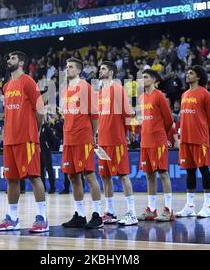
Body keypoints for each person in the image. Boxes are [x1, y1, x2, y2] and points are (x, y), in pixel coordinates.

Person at [0, 51, 49, 233]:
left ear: (22, 63)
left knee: (34, 177)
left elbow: (40, 111)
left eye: (13, 58)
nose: (9, 60)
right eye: (8, 58)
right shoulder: (7, 86)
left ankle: (42, 218)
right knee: (12, 180)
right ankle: (12, 218)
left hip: (27, 138)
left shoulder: (28, 81)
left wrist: (35, 129)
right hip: (9, 139)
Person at [61, 57, 102, 229]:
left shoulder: (85, 87)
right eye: (66, 67)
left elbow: (94, 116)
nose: (67, 70)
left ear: (78, 70)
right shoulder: (66, 90)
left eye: (70, 67)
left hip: (83, 137)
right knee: (72, 176)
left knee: (88, 174)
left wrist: (92, 135)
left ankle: (97, 215)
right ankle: (80, 215)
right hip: (69, 137)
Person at [97, 61, 138, 226]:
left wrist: (129, 132)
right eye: (100, 68)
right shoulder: (100, 93)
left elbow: (128, 113)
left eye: (104, 68)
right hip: (102, 141)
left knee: (122, 175)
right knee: (105, 176)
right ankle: (110, 212)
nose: (101, 70)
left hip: (116, 140)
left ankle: (132, 213)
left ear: (112, 72)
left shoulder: (118, 89)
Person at [176, 65, 210, 218]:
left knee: (204, 170)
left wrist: (204, 133)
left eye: (191, 73)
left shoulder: (204, 94)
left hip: (200, 139)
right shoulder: (184, 94)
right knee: (189, 171)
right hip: (185, 139)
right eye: (187, 73)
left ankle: (207, 206)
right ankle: (190, 206)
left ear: (198, 77)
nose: (188, 75)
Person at [136, 69, 175, 222]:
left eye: (145, 77)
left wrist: (161, 135)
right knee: (149, 175)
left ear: (153, 80)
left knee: (163, 174)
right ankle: (151, 210)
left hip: (158, 141)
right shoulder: (141, 97)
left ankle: (169, 210)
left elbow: (169, 120)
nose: (142, 80)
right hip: (145, 141)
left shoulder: (159, 96)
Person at [39, 121, 57, 194]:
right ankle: (42, 187)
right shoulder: (36, 128)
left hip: (45, 152)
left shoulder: (46, 128)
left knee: (49, 170)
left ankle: (52, 187)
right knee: (40, 171)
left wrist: (48, 147)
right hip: (38, 153)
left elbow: (54, 139)